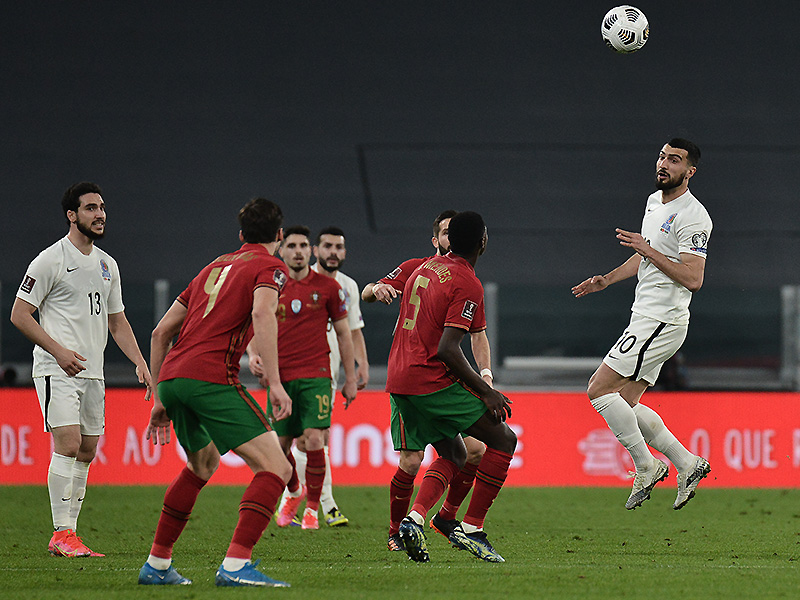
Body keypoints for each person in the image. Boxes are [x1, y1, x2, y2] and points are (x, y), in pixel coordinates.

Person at [137, 198, 293, 587]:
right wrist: (275, 383)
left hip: (173, 377)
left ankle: (157, 565)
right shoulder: (270, 267)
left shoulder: (214, 266)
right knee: (277, 467)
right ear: (279, 234)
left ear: (241, 235)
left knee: (202, 464)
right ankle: (236, 565)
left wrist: (160, 397)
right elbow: (262, 313)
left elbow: (160, 333)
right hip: (211, 377)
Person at [10, 182, 152, 558]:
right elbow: (19, 314)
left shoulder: (107, 265)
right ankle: (61, 532)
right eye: (90, 208)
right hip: (56, 368)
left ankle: (69, 534)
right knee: (69, 444)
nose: (100, 214)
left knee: (87, 450)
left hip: (93, 372)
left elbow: (117, 321)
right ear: (72, 215)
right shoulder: (50, 260)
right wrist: (57, 351)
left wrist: (140, 361)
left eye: (101, 207)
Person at [571, 138, 713, 511]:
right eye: (662, 157)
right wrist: (607, 279)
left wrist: (648, 249)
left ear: (690, 171)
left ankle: (646, 466)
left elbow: (693, 277)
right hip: (647, 315)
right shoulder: (654, 202)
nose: (664, 164)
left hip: (662, 319)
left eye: (675, 160)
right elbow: (645, 257)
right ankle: (687, 463)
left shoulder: (694, 216)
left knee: (599, 389)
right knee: (625, 402)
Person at [385, 211, 516, 563]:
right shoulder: (466, 282)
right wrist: (487, 391)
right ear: (482, 242)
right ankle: (472, 528)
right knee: (503, 439)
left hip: (399, 377)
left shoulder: (425, 268)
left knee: (456, 454)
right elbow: (447, 349)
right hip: (428, 379)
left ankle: (414, 520)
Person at [362, 210, 491, 552]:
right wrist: (377, 288)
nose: (451, 237)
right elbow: (367, 292)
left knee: (474, 450)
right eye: (445, 232)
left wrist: (486, 375)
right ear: (436, 239)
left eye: (454, 231)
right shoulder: (417, 268)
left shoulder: (466, 279)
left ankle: (445, 518)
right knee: (411, 460)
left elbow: (478, 334)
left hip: (442, 377)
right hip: (415, 374)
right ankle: (397, 532)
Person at [264, 226, 368, 527]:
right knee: (286, 443)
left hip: (321, 373)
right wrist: (256, 356)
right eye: (327, 246)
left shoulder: (341, 287)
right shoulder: (273, 285)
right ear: (316, 250)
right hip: (283, 374)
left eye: (339, 247)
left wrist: (356, 370)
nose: (333, 252)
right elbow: (258, 322)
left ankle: (320, 507)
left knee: (316, 438)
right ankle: (293, 494)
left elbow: (350, 331)